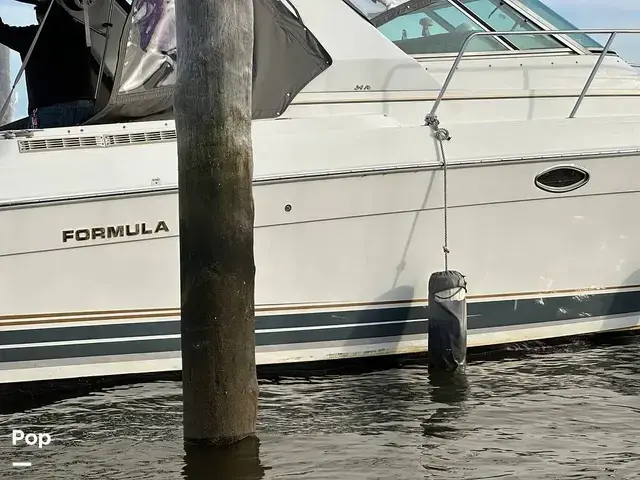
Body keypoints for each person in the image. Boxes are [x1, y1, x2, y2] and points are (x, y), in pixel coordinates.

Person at [0, 1, 95, 129]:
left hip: (49, 108)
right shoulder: (81, 33)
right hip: (84, 106)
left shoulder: (32, 36)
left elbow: (2, 32)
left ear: (41, 18)